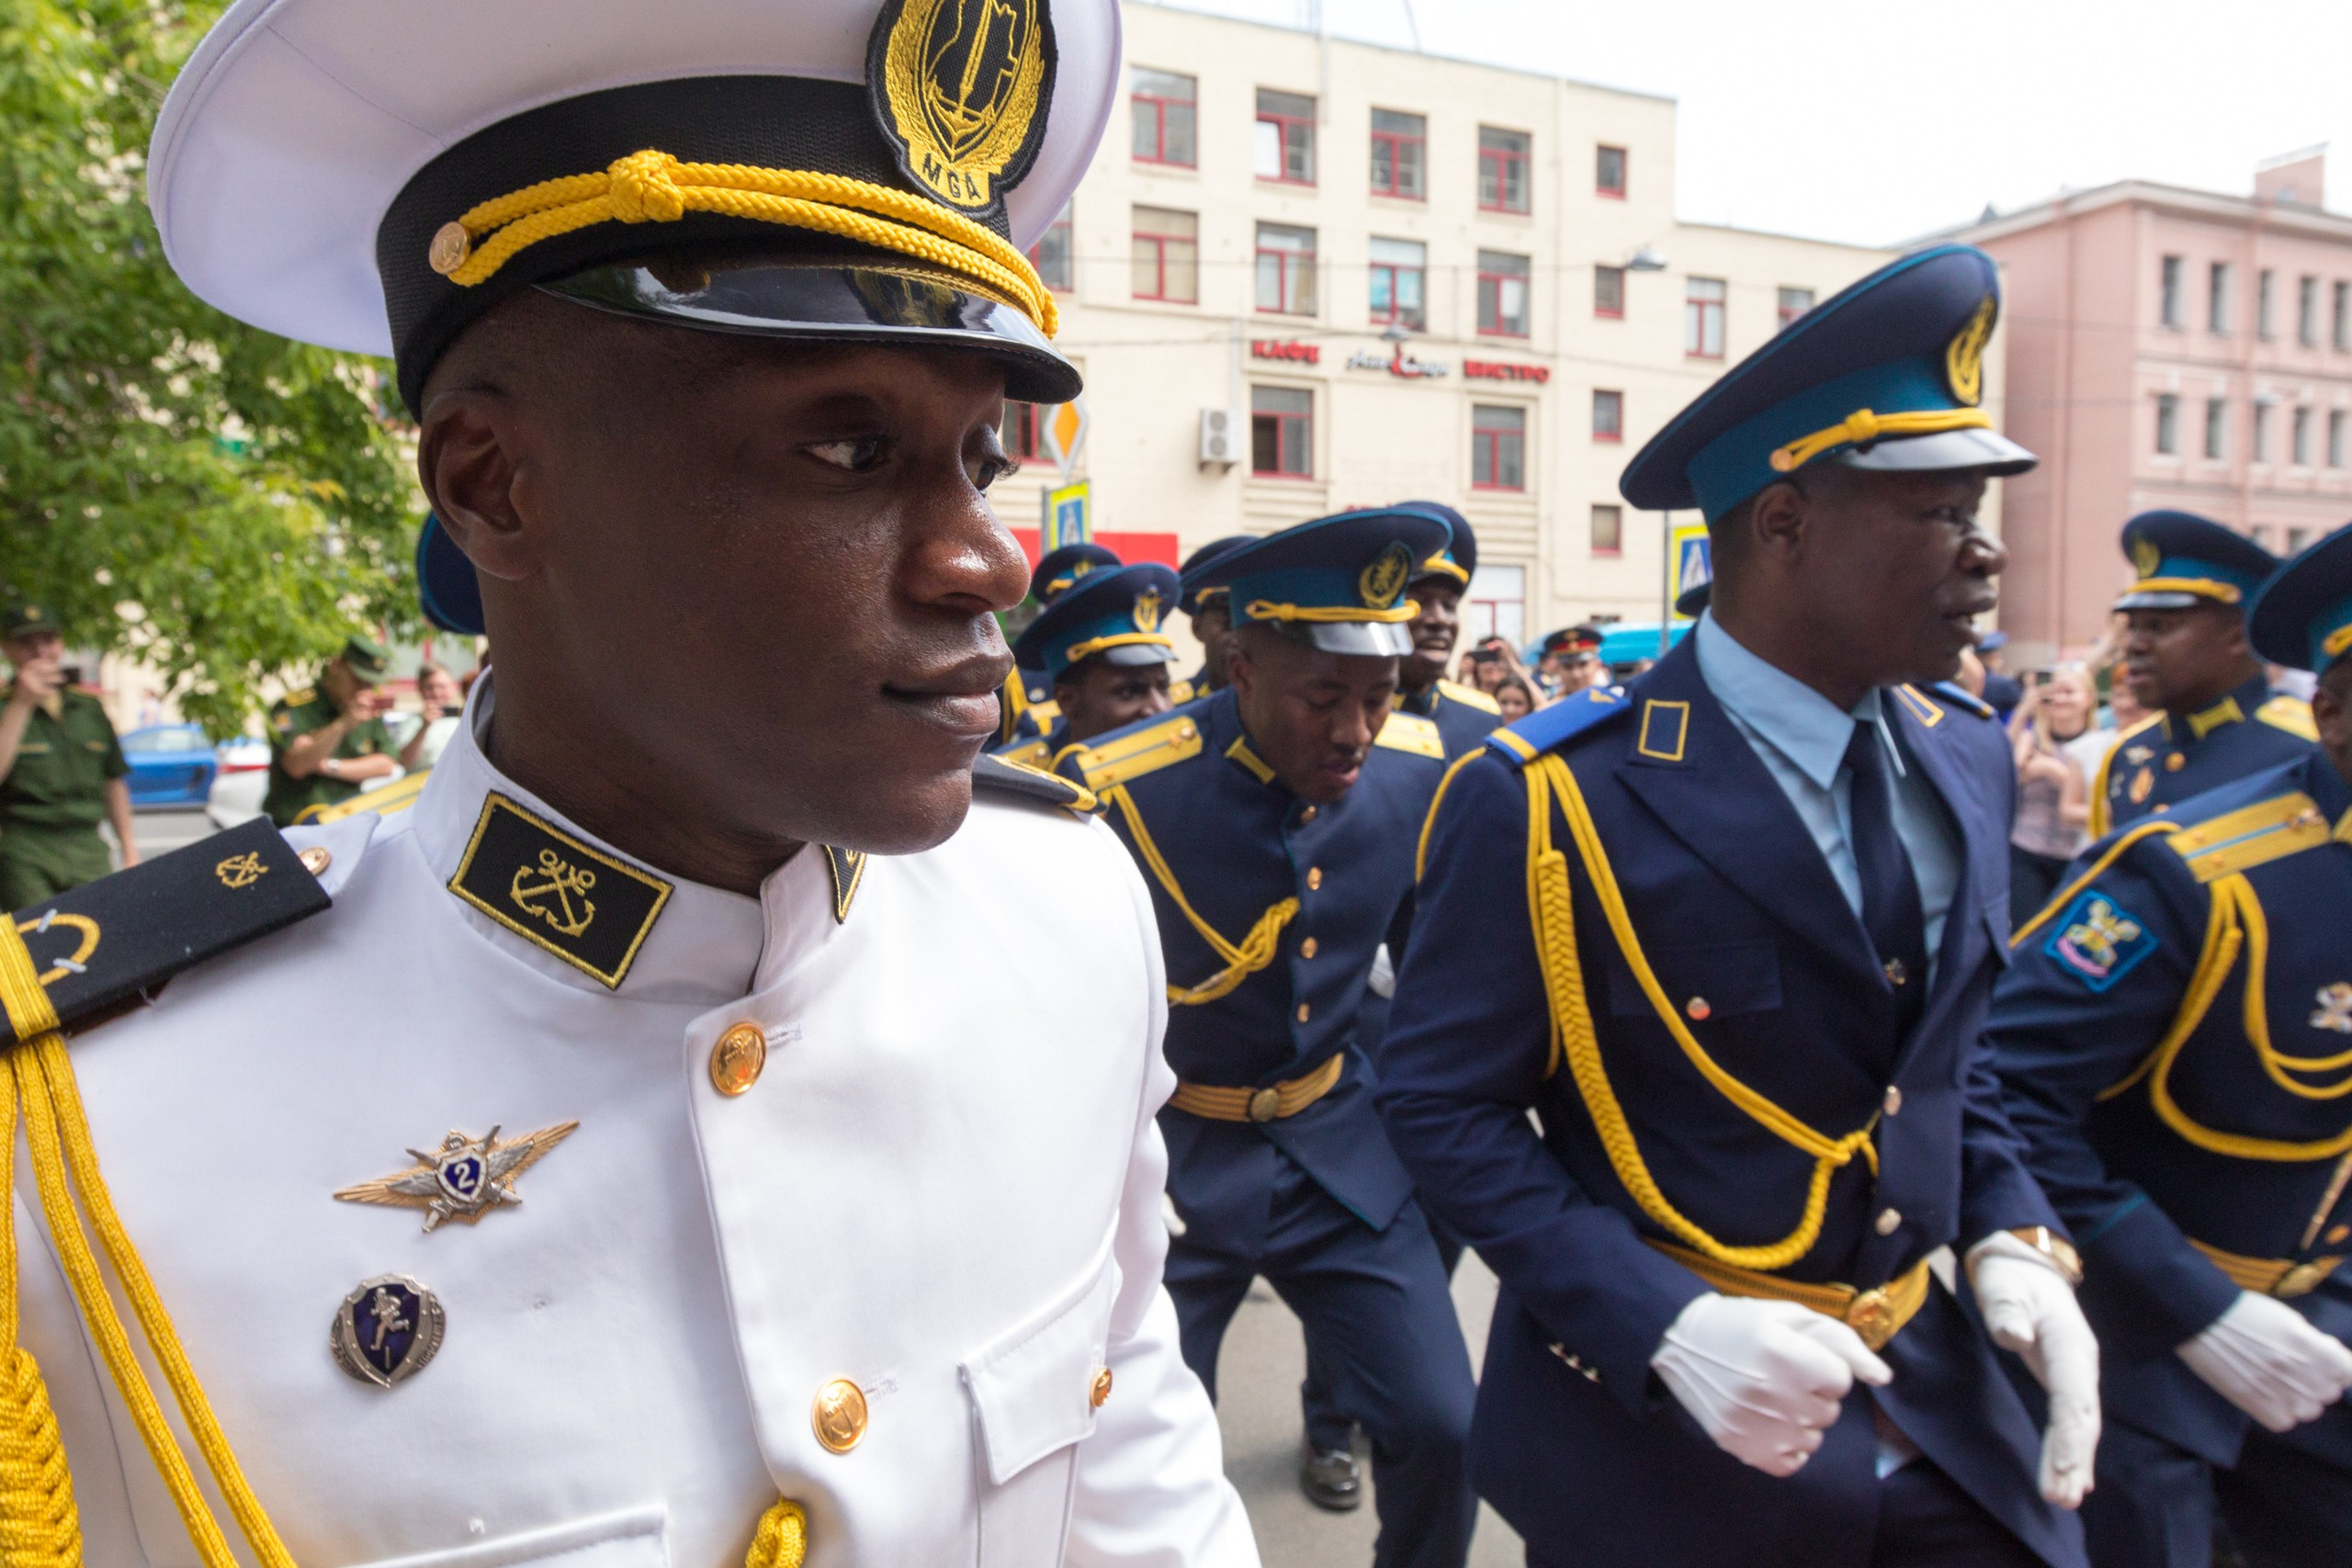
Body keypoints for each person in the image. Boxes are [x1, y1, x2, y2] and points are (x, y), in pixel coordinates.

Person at [0, 1, 1258, 1560]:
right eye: (848, 448)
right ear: (493, 484)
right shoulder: (91, 1125)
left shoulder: (1062, 920)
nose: (988, 558)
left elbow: (1130, 1455)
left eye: (981, 456)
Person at [1377, 244, 2100, 1568]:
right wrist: (1658, 1320)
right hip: (1662, 1433)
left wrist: (2012, 1230)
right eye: (1941, 511)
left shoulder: (1965, 752)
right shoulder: (1548, 796)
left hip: (1929, 1390)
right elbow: (1441, 1103)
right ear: (1782, 525)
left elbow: (1948, 1062)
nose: (1988, 552)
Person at [1058, 509, 1478, 1568]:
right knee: (1137, 1461)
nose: (1355, 732)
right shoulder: (1118, 790)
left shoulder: (1415, 775)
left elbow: (1434, 987)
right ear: (1240, 667)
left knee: (1444, 1425)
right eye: (1323, 698)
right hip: (1172, 1169)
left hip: (1338, 1151)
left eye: (1378, 698)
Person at [1988, 520, 2352, 1568]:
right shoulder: (2193, 874)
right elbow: (2006, 1095)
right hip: (2139, 1339)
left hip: (2321, 1327)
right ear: (2330, 712)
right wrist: (2199, 1308)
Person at [2090, 512, 2316, 837]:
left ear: (2239, 636)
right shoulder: (2127, 754)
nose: (2134, 646)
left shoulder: (2312, 751)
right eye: (2133, 627)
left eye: (2158, 626)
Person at [0, 600, 135, 906]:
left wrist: (129, 850)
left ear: (61, 645)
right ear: (7, 649)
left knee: (101, 927)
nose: (39, 652)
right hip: (25, 848)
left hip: (88, 845)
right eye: (26, 643)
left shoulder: (88, 708)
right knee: (42, 932)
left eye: (48, 641)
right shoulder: (6, 707)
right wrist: (21, 704)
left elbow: (113, 782)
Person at [996, 561, 1182, 766]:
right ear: (1068, 701)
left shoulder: (1189, 769)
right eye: (1130, 692)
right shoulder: (1020, 774)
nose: (1161, 708)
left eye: (1164, 687)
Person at [1390, 503, 1503, 760]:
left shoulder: (1482, 718)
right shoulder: (1350, 721)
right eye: (1419, 602)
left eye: (1449, 605)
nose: (1440, 620)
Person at [261, 633, 400, 827]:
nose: (363, 691)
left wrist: (328, 766)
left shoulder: (367, 713)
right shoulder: (293, 707)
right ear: (336, 666)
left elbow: (386, 765)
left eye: (370, 684)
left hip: (346, 822)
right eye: (357, 680)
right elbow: (297, 766)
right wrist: (343, 724)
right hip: (297, 826)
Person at [998, 540, 1123, 749]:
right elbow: (992, 757)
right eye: (1069, 603)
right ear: (1051, 609)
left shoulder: (1136, 671)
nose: (1082, 613)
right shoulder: (1019, 679)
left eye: (1092, 603)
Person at [2007, 671, 2095, 926]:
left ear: (2088, 699)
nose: (2061, 699)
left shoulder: (2099, 745)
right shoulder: (2030, 739)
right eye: (2055, 692)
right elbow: (2002, 772)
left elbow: (2097, 803)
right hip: (2026, 851)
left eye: (2069, 692)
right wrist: (2023, 712)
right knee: (2025, 929)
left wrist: (2053, 771)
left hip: (2074, 856)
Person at [1177, 535, 1253, 701]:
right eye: (1229, 625)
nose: (1240, 639)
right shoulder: (1171, 709)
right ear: (1197, 628)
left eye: (1255, 626)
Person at [398, 660, 467, 772]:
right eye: (429, 687)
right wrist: (424, 727)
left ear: (453, 688)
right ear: (420, 689)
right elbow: (404, 763)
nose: (436, 693)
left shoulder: (466, 721)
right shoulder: (409, 724)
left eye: (442, 687)